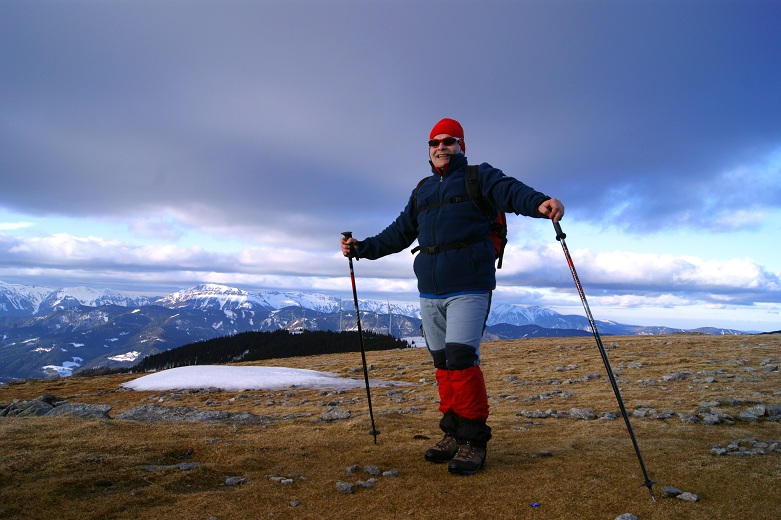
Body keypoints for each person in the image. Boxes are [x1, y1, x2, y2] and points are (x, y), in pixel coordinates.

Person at [340, 118, 564, 475]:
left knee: (461, 359)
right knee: (443, 364)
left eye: (449, 141)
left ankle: (474, 442)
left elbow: (510, 191)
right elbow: (399, 233)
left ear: (461, 146)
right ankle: (453, 434)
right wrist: (362, 248)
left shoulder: (480, 176)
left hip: (470, 287)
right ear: (428, 150)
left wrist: (539, 203)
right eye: (434, 143)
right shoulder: (423, 190)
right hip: (429, 290)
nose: (441, 147)